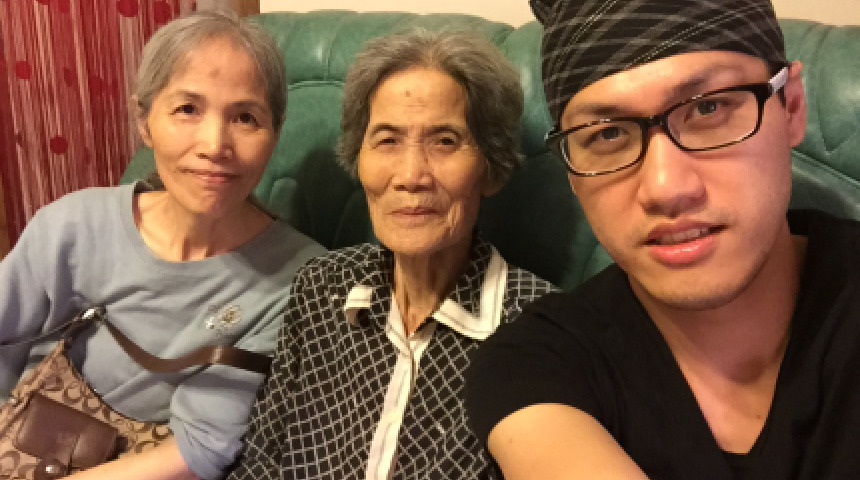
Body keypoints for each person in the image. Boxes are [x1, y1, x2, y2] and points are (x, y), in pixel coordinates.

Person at [464, 0, 860, 478]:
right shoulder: (538, 362)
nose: (666, 188)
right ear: (571, 172)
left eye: (709, 107)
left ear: (791, 106)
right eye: (607, 134)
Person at [0, 10, 325, 480]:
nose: (214, 145)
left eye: (245, 117)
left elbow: (199, 450)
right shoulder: (72, 226)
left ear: (274, 133)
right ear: (145, 121)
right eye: (187, 109)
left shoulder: (300, 281)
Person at [227, 29, 556, 480]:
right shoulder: (321, 288)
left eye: (445, 140)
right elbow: (262, 461)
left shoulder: (540, 333)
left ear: (490, 168)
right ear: (357, 157)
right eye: (387, 140)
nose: (410, 175)